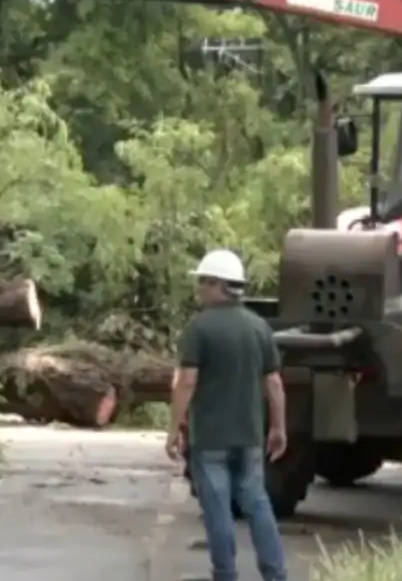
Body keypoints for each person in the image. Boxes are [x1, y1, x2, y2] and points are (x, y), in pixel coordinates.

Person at [165, 249, 287, 581]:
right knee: (258, 504)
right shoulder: (259, 327)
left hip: (210, 440)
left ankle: (226, 575)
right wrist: (278, 427)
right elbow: (274, 383)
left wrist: (174, 429)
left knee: (217, 510)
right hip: (249, 437)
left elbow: (187, 381)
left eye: (203, 283)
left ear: (218, 284)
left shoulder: (199, 328)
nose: (199, 290)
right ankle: (276, 575)